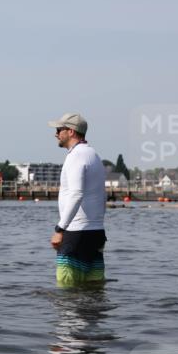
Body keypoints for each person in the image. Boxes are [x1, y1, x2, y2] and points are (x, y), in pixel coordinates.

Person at [48, 113, 106, 287]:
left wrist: (60, 228)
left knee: (67, 292)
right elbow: (102, 195)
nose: (56, 134)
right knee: (94, 290)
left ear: (71, 132)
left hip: (76, 232)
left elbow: (76, 194)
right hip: (96, 232)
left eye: (59, 130)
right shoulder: (93, 155)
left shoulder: (75, 156)